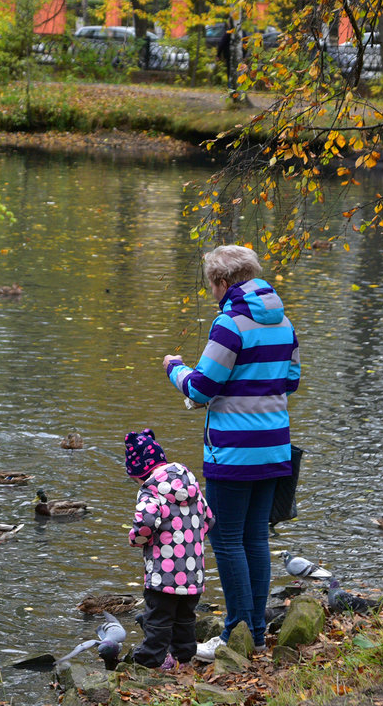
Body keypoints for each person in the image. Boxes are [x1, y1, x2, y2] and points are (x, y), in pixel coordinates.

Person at [162, 244, 300, 661]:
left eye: (212, 285)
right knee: (255, 537)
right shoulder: (284, 321)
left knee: (225, 539)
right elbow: (290, 380)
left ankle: (236, 634)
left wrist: (174, 368)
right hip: (274, 446)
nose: (212, 293)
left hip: (233, 452)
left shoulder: (230, 324)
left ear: (222, 282)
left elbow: (201, 387)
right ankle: (255, 634)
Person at [125, 428, 214, 669]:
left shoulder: (150, 490)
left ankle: (149, 663)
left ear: (141, 473)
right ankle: (184, 660)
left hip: (163, 574)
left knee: (158, 619)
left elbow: (145, 524)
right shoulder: (191, 484)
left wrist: (136, 540)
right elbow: (209, 520)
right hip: (193, 570)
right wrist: (190, 542)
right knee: (186, 618)